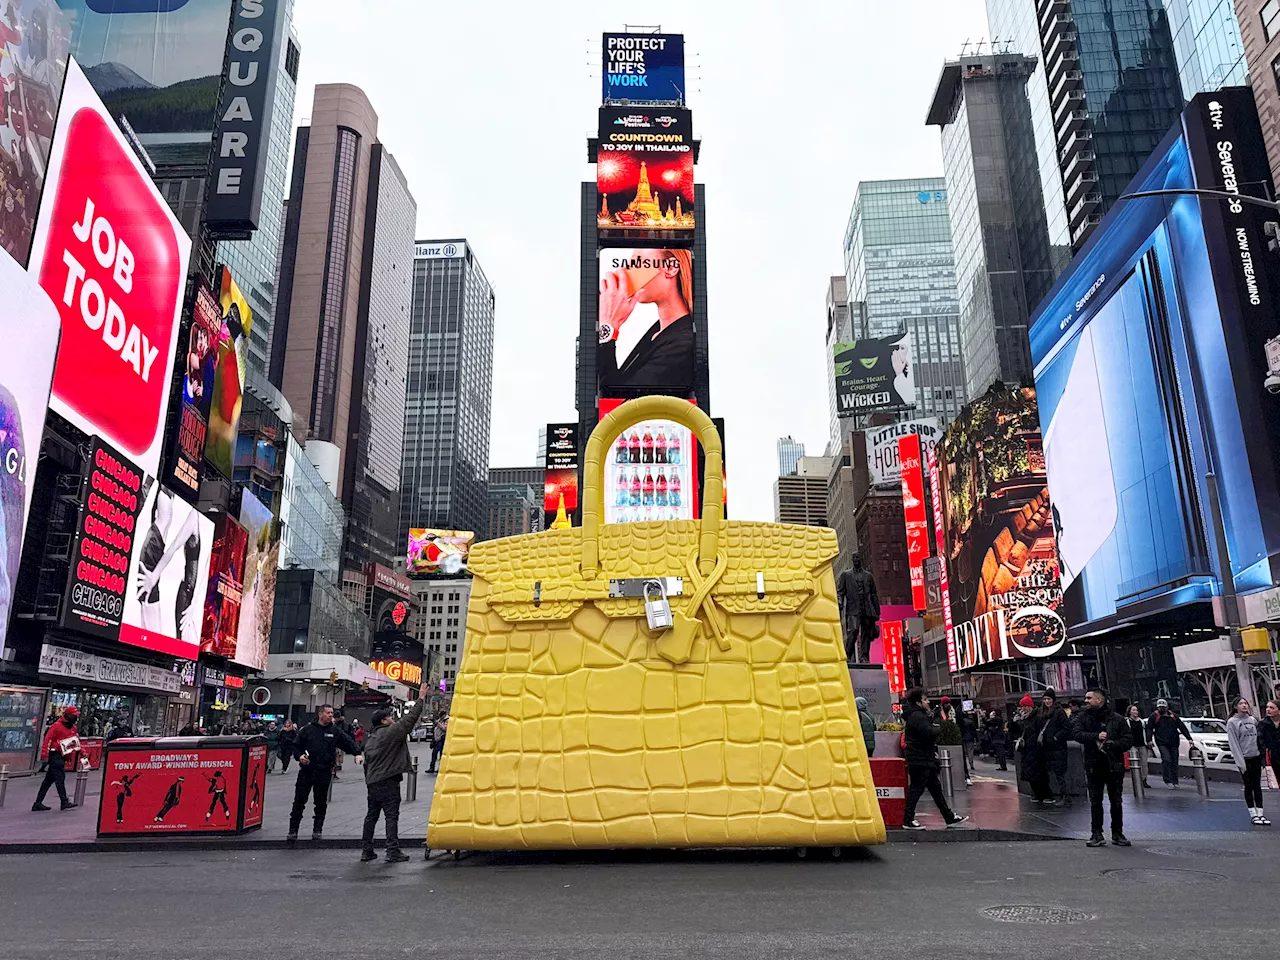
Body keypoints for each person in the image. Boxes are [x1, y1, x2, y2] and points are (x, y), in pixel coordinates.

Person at [597, 248, 695, 391]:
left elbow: (617, 402)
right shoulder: (661, 331)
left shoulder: (683, 344)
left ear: (671, 267)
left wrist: (608, 326)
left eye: (637, 260)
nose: (625, 269)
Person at [360, 683, 430, 863]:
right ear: (384, 721)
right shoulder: (389, 733)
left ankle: (367, 850)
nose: (392, 719)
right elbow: (409, 721)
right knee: (391, 816)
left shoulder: (371, 739)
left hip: (372, 783)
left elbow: (366, 764)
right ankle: (392, 851)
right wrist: (421, 698)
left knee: (371, 816)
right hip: (388, 781)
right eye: (390, 717)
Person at [287, 705, 361, 843]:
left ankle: (317, 830)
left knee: (320, 802)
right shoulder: (307, 730)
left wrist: (357, 753)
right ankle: (293, 830)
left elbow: (347, 742)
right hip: (307, 771)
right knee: (299, 802)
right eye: (328, 713)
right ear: (320, 714)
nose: (331, 715)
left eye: (332, 713)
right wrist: (300, 756)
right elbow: (296, 746)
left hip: (324, 771)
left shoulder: (334, 731)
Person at [1071, 687, 1133, 847]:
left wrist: (1112, 744)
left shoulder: (1117, 719)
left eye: (1089, 698)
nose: (1086, 701)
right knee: (1095, 800)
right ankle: (1096, 833)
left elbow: (1128, 740)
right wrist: (1095, 737)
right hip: (1094, 764)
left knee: (1116, 801)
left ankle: (1117, 833)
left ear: (1099, 700)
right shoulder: (1083, 717)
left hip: (1114, 765)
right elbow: (1076, 734)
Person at [900, 688, 968, 830]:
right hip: (920, 759)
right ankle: (908, 819)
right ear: (918, 702)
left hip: (924, 758)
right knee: (916, 790)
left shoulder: (917, 715)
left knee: (935, 789)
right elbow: (928, 732)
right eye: (925, 699)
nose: (928, 702)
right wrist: (937, 728)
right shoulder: (917, 716)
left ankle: (949, 817)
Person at [1020, 690, 1070, 805]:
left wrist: (1055, 737)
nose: (1047, 701)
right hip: (1046, 747)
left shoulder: (1058, 712)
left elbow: (1066, 728)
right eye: (1045, 699)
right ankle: (1060, 796)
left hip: (1057, 747)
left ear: (1053, 700)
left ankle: (1065, 797)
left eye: (1049, 699)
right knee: (1050, 773)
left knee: (1060, 774)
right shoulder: (1043, 712)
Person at [1225, 698, 1268, 826]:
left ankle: (1260, 813)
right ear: (1235, 706)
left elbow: (1259, 739)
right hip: (1245, 758)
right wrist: (1240, 761)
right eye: (1241, 703)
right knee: (1248, 786)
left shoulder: (1253, 720)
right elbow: (1233, 743)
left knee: (1257, 786)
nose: (1244, 705)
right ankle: (1253, 813)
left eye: (1245, 703)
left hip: (1255, 757)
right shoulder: (1232, 722)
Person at [32, 707, 81, 811]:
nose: (76, 717)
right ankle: (64, 801)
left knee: (48, 781)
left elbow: (76, 742)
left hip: (62, 756)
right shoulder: (57, 726)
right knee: (60, 778)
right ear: (68, 715)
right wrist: (44, 755)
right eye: (74, 715)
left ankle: (38, 803)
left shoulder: (72, 728)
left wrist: (83, 753)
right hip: (55, 755)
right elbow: (47, 740)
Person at [836, 555, 880, 663]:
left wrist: (877, 611)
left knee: (866, 634)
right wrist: (840, 602)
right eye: (854, 558)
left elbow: (874, 594)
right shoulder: (846, 575)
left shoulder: (868, 576)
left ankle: (864, 657)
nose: (856, 560)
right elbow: (840, 592)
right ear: (852, 560)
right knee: (853, 631)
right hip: (853, 609)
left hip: (867, 609)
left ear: (860, 560)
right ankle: (848, 655)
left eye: (858, 558)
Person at [1148, 699, 1193, 787]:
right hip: (1161, 742)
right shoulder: (1154, 716)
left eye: (1163, 707)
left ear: (1167, 707)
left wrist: (1189, 738)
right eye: (1160, 707)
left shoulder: (1174, 716)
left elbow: (1182, 727)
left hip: (1174, 742)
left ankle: (1175, 781)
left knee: (1174, 761)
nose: (1161, 709)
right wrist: (1149, 740)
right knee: (1166, 759)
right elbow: (1149, 728)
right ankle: (1167, 780)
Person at [1126, 705, 1151, 790]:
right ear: (1130, 712)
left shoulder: (1142, 722)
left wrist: (1148, 741)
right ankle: (1136, 779)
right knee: (1134, 763)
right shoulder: (1127, 722)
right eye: (1133, 710)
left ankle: (1144, 779)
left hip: (1142, 744)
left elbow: (1146, 731)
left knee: (1144, 763)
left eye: (1136, 710)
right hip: (1133, 745)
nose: (1136, 712)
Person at [1260, 700, 1280, 796]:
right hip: (1272, 756)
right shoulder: (1263, 724)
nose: (1268, 710)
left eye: (1272, 708)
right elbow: (1260, 741)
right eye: (1267, 707)